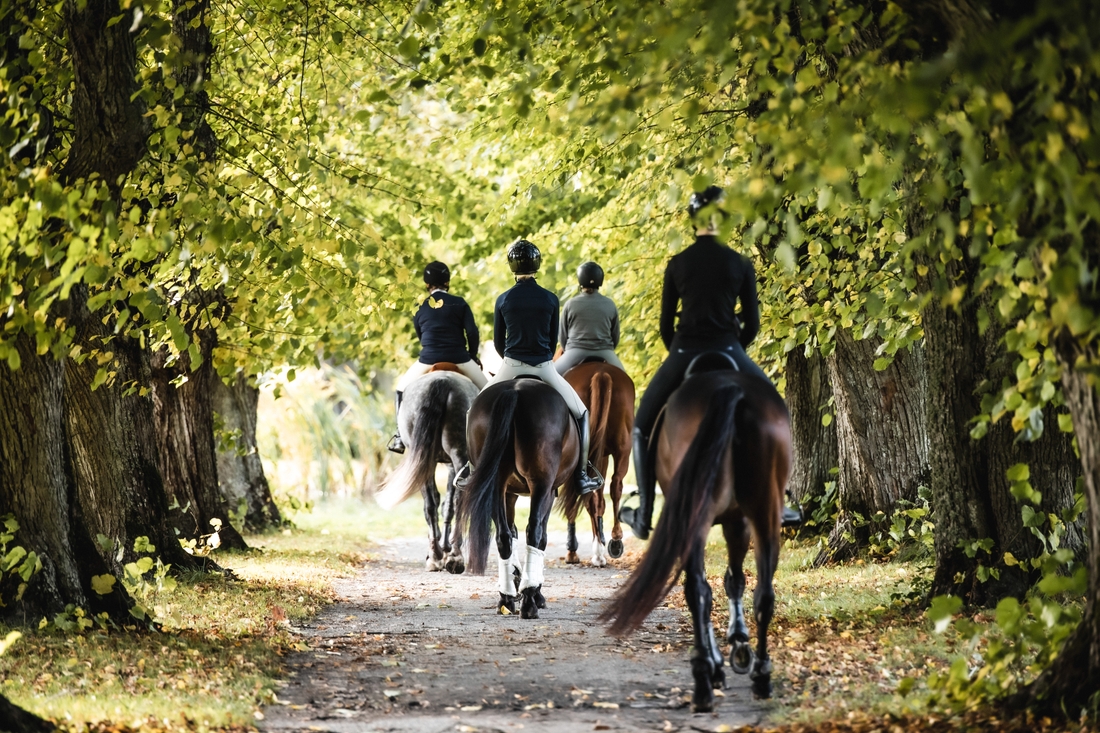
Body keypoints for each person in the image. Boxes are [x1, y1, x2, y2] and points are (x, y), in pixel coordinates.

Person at [619, 186, 802, 539]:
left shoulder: (678, 263)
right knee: (777, 411)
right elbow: (753, 325)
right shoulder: (740, 262)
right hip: (731, 350)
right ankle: (780, 500)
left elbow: (664, 327)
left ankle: (644, 509)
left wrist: (680, 352)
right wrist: (735, 346)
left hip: (685, 351)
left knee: (642, 425)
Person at [455, 240, 604, 494]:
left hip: (510, 366)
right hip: (544, 366)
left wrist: (513, 358)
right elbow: (554, 338)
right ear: (537, 264)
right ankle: (580, 474)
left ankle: (471, 469)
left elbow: (500, 342)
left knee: (473, 411)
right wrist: (541, 358)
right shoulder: (550, 298)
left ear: (512, 265)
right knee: (581, 412)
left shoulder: (503, 299)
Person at [388, 261, 487, 454]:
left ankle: (400, 436)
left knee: (400, 389)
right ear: (448, 282)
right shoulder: (459, 303)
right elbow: (472, 333)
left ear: (427, 285)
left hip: (427, 360)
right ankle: (492, 433)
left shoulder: (420, 307)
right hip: (460, 358)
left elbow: (421, 334)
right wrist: (472, 355)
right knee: (488, 389)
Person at [554, 261, 626, 374]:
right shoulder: (610, 304)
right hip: (605, 351)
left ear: (580, 280)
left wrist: (568, 348)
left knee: (550, 380)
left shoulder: (570, 304)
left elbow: (562, 336)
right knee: (626, 380)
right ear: (600, 280)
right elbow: (615, 337)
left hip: (575, 352)